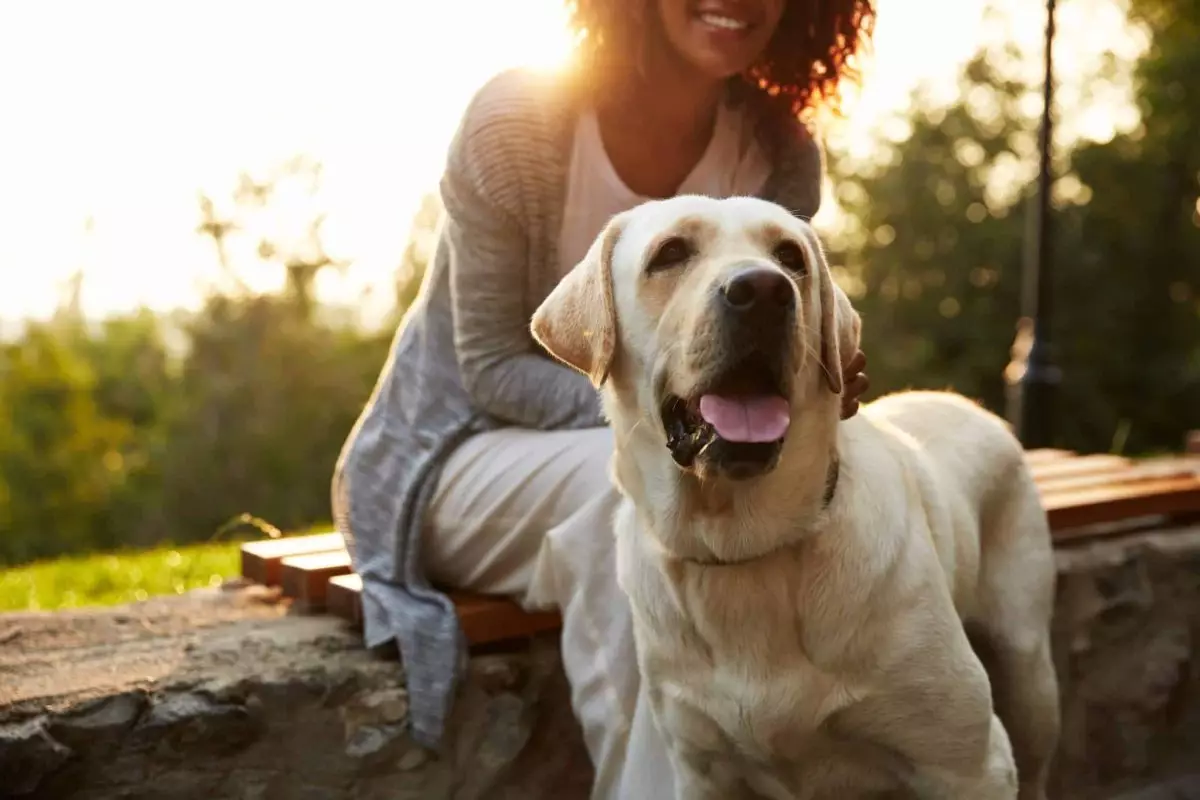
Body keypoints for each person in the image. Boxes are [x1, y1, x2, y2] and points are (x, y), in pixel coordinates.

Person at [332, 0, 874, 795]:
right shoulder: (517, 121)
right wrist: (668, 424)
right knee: (635, 495)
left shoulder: (780, 152)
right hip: (453, 455)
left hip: (678, 448)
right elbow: (489, 366)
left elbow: (770, 363)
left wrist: (816, 386)